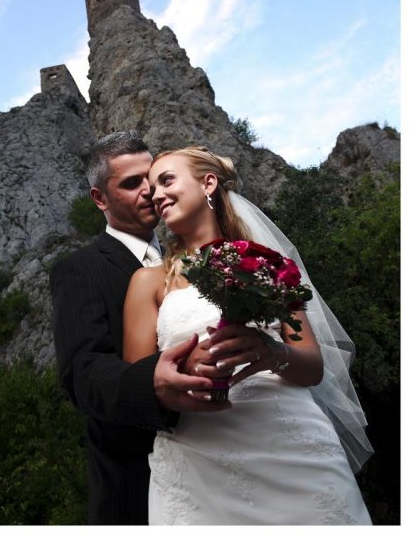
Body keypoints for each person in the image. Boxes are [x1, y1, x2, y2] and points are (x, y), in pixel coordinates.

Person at [123, 145, 374, 525]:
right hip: (198, 459)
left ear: (208, 183)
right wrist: (184, 368)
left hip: (292, 447)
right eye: (152, 188)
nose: (156, 195)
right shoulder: (149, 281)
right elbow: (137, 382)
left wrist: (273, 352)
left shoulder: (271, 267)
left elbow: (312, 368)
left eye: (166, 181)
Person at [50, 132, 259, 525]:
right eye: (131, 184)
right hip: (137, 483)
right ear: (100, 199)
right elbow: (82, 372)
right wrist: (152, 382)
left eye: (152, 178)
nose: (149, 191)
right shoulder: (80, 270)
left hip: (243, 452)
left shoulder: (193, 258)